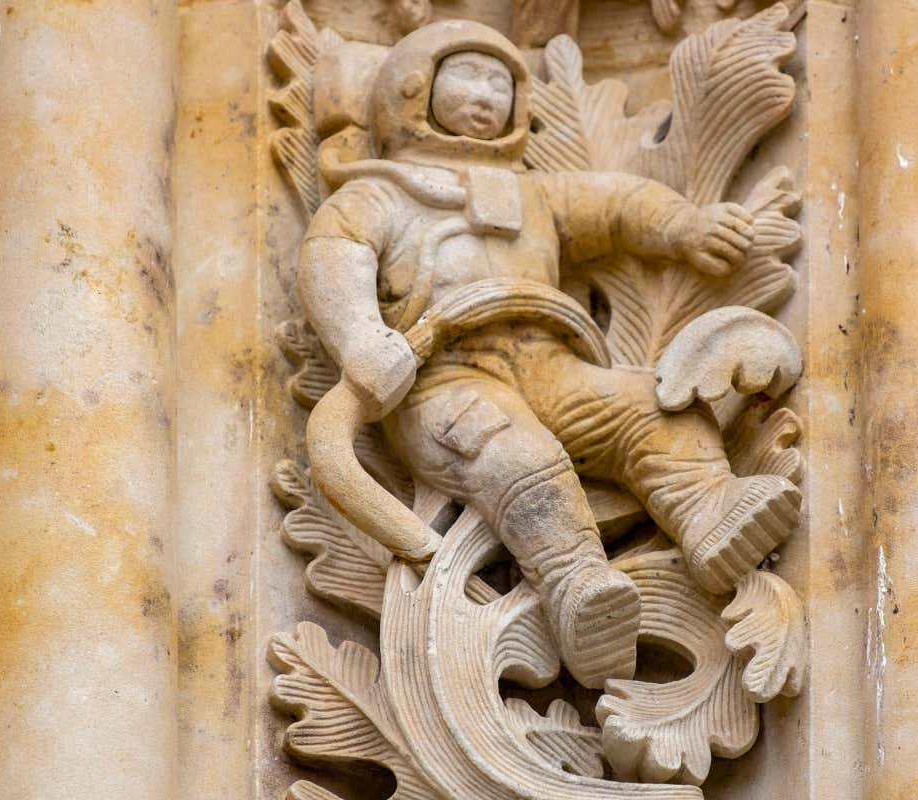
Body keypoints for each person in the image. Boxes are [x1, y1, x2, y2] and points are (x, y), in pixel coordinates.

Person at [297, 21, 800, 688]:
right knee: (516, 458)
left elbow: (618, 205)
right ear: (413, 91)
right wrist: (361, 337)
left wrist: (686, 226)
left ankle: (707, 510)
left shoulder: (534, 192)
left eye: (500, 83)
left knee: (649, 408)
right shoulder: (379, 193)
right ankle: (578, 589)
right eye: (466, 78)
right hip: (443, 381)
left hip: (549, 360)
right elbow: (333, 256)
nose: (485, 94)